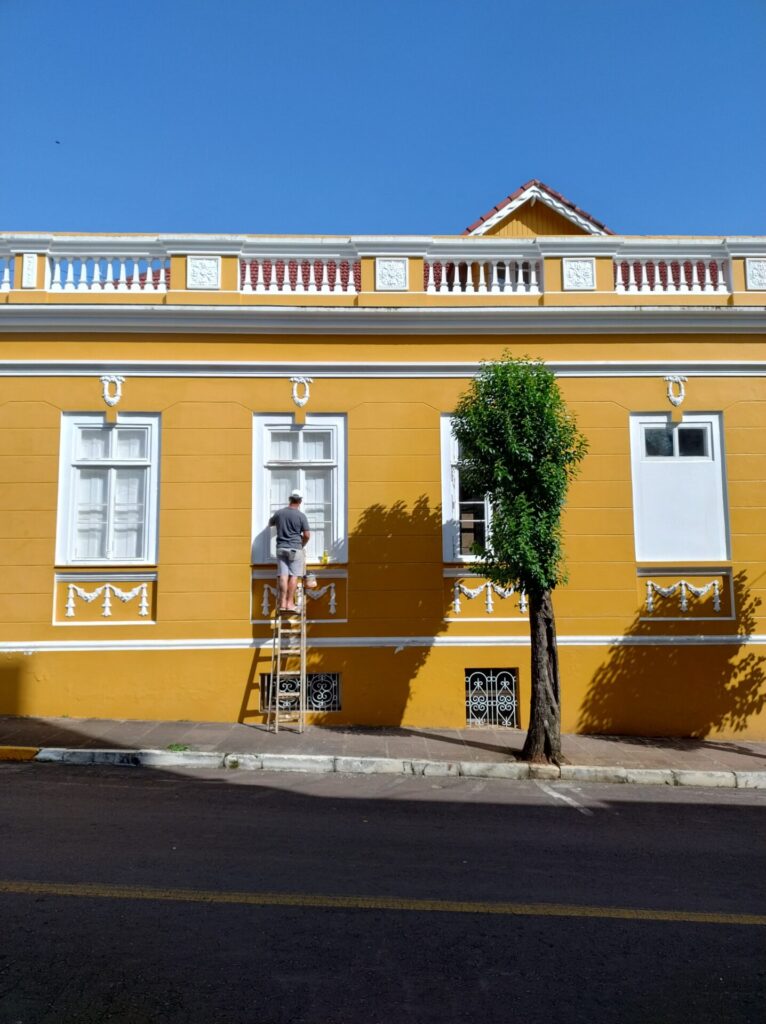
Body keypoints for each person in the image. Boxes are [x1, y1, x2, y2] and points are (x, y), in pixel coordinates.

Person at [269, 490, 311, 612]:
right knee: (293, 576)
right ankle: (290, 603)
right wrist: (302, 544)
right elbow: (307, 535)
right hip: (294, 549)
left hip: (281, 548)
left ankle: (282, 603)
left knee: (283, 575)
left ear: (289, 499)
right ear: (300, 501)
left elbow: (270, 523)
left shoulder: (279, 513)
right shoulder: (301, 516)